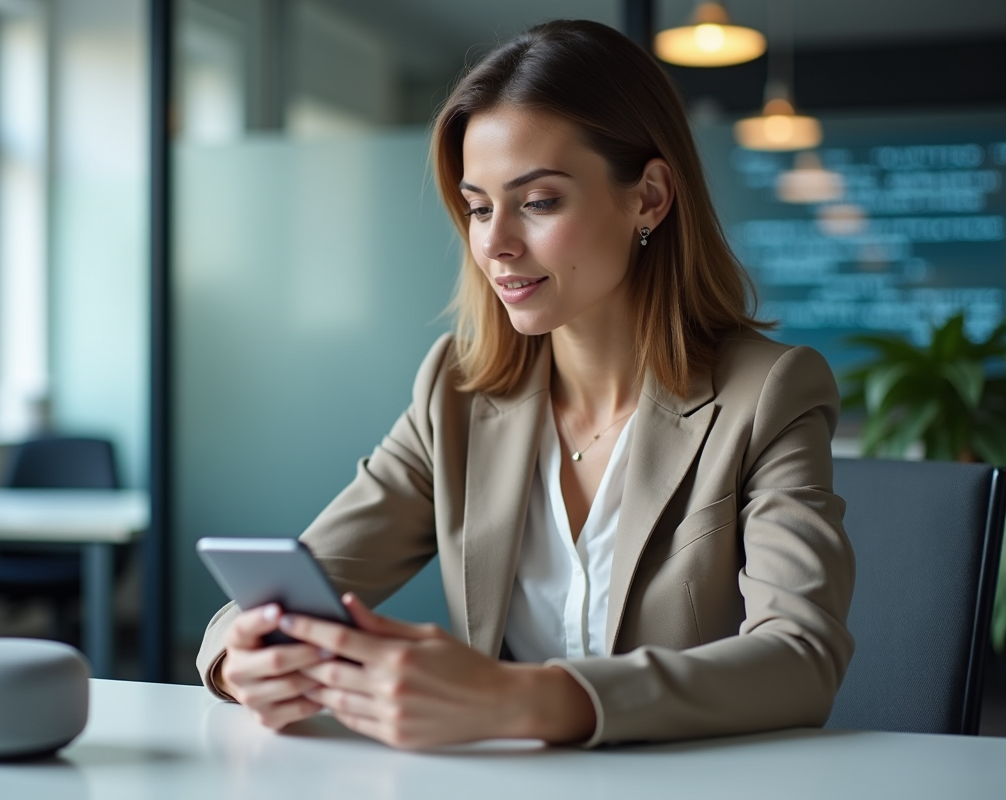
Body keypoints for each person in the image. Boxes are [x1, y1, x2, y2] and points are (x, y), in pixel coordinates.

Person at [196, 19, 855, 749]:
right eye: (478, 207)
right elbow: (281, 595)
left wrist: (523, 700)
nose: (495, 243)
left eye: (538, 201)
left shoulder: (768, 393)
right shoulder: (455, 392)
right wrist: (246, 660)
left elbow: (801, 659)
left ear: (651, 198)